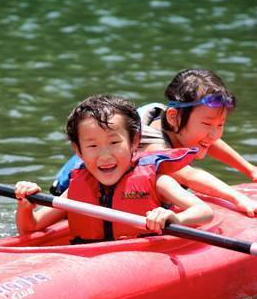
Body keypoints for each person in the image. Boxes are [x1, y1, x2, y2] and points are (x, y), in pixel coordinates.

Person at [50, 69, 257, 217]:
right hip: (78, 198)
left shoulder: (169, 118)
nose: (214, 134)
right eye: (207, 123)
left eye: (220, 124)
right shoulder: (151, 145)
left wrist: (250, 171)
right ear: (174, 116)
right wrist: (238, 198)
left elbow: (211, 142)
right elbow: (190, 176)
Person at [15, 94, 213, 241]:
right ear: (78, 150)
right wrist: (25, 206)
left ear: (134, 141)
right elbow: (30, 227)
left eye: (114, 143)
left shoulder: (157, 181)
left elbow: (203, 211)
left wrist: (174, 218)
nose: (105, 155)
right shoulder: (75, 190)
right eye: (92, 146)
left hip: (144, 258)